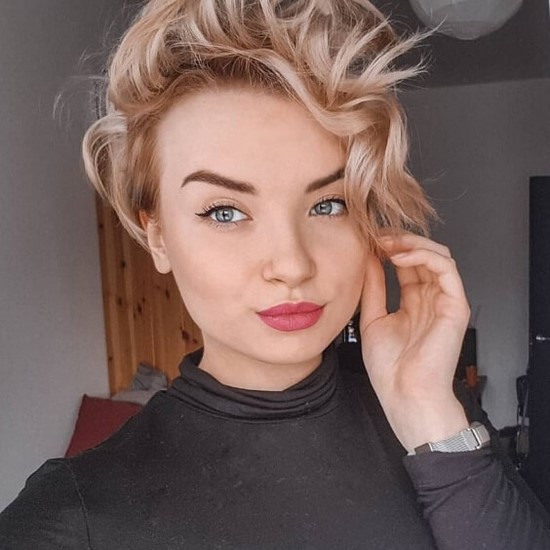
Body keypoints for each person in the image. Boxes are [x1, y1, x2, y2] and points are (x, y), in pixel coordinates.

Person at [1, 0, 549, 548]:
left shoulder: (436, 413)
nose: (292, 264)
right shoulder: (73, 516)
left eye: (329, 204)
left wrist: (428, 411)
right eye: (225, 212)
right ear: (157, 236)